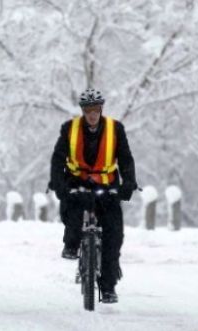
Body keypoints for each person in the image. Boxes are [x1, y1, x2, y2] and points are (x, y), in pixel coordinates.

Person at [49, 88, 137, 304]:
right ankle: (71, 245)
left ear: (101, 110)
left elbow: (126, 159)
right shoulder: (69, 129)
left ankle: (108, 287)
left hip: (106, 187)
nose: (92, 114)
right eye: (88, 110)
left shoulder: (115, 129)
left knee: (113, 236)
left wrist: (129, 183)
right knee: (72, 213)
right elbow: (57, 160)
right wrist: (58, 184)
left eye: (95, 110)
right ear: (83, 111)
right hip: (77, 184)